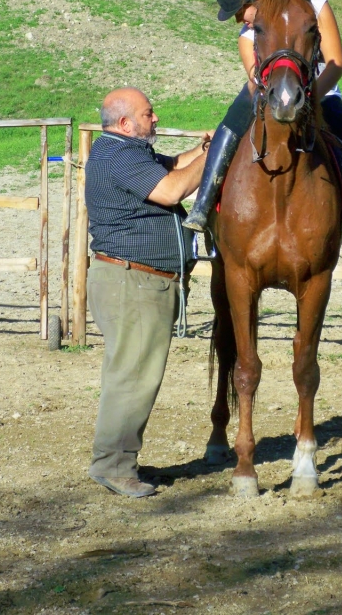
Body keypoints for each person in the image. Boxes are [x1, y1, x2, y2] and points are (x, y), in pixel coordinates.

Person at [184, 0, 342, 292]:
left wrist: (309, 99)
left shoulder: (314, 4)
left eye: (238, 12)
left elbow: (334, 62)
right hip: (268, 97)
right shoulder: (249, 36)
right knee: (226, 131)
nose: (238, 21)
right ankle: (202, 208)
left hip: (319, 95)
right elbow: (253, 78)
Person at [85, 87, 211, 498]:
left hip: (135, 282)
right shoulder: (117, 155)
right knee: (133, 377)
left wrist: (202, 148)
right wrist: (216, 155)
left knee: (131, 373)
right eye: (148, 113)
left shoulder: (128, 151)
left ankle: (118, 459)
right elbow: (172, 190)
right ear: (125, 124)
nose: (155, 119)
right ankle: (114, 466)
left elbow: (174, 166)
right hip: (132, 283)